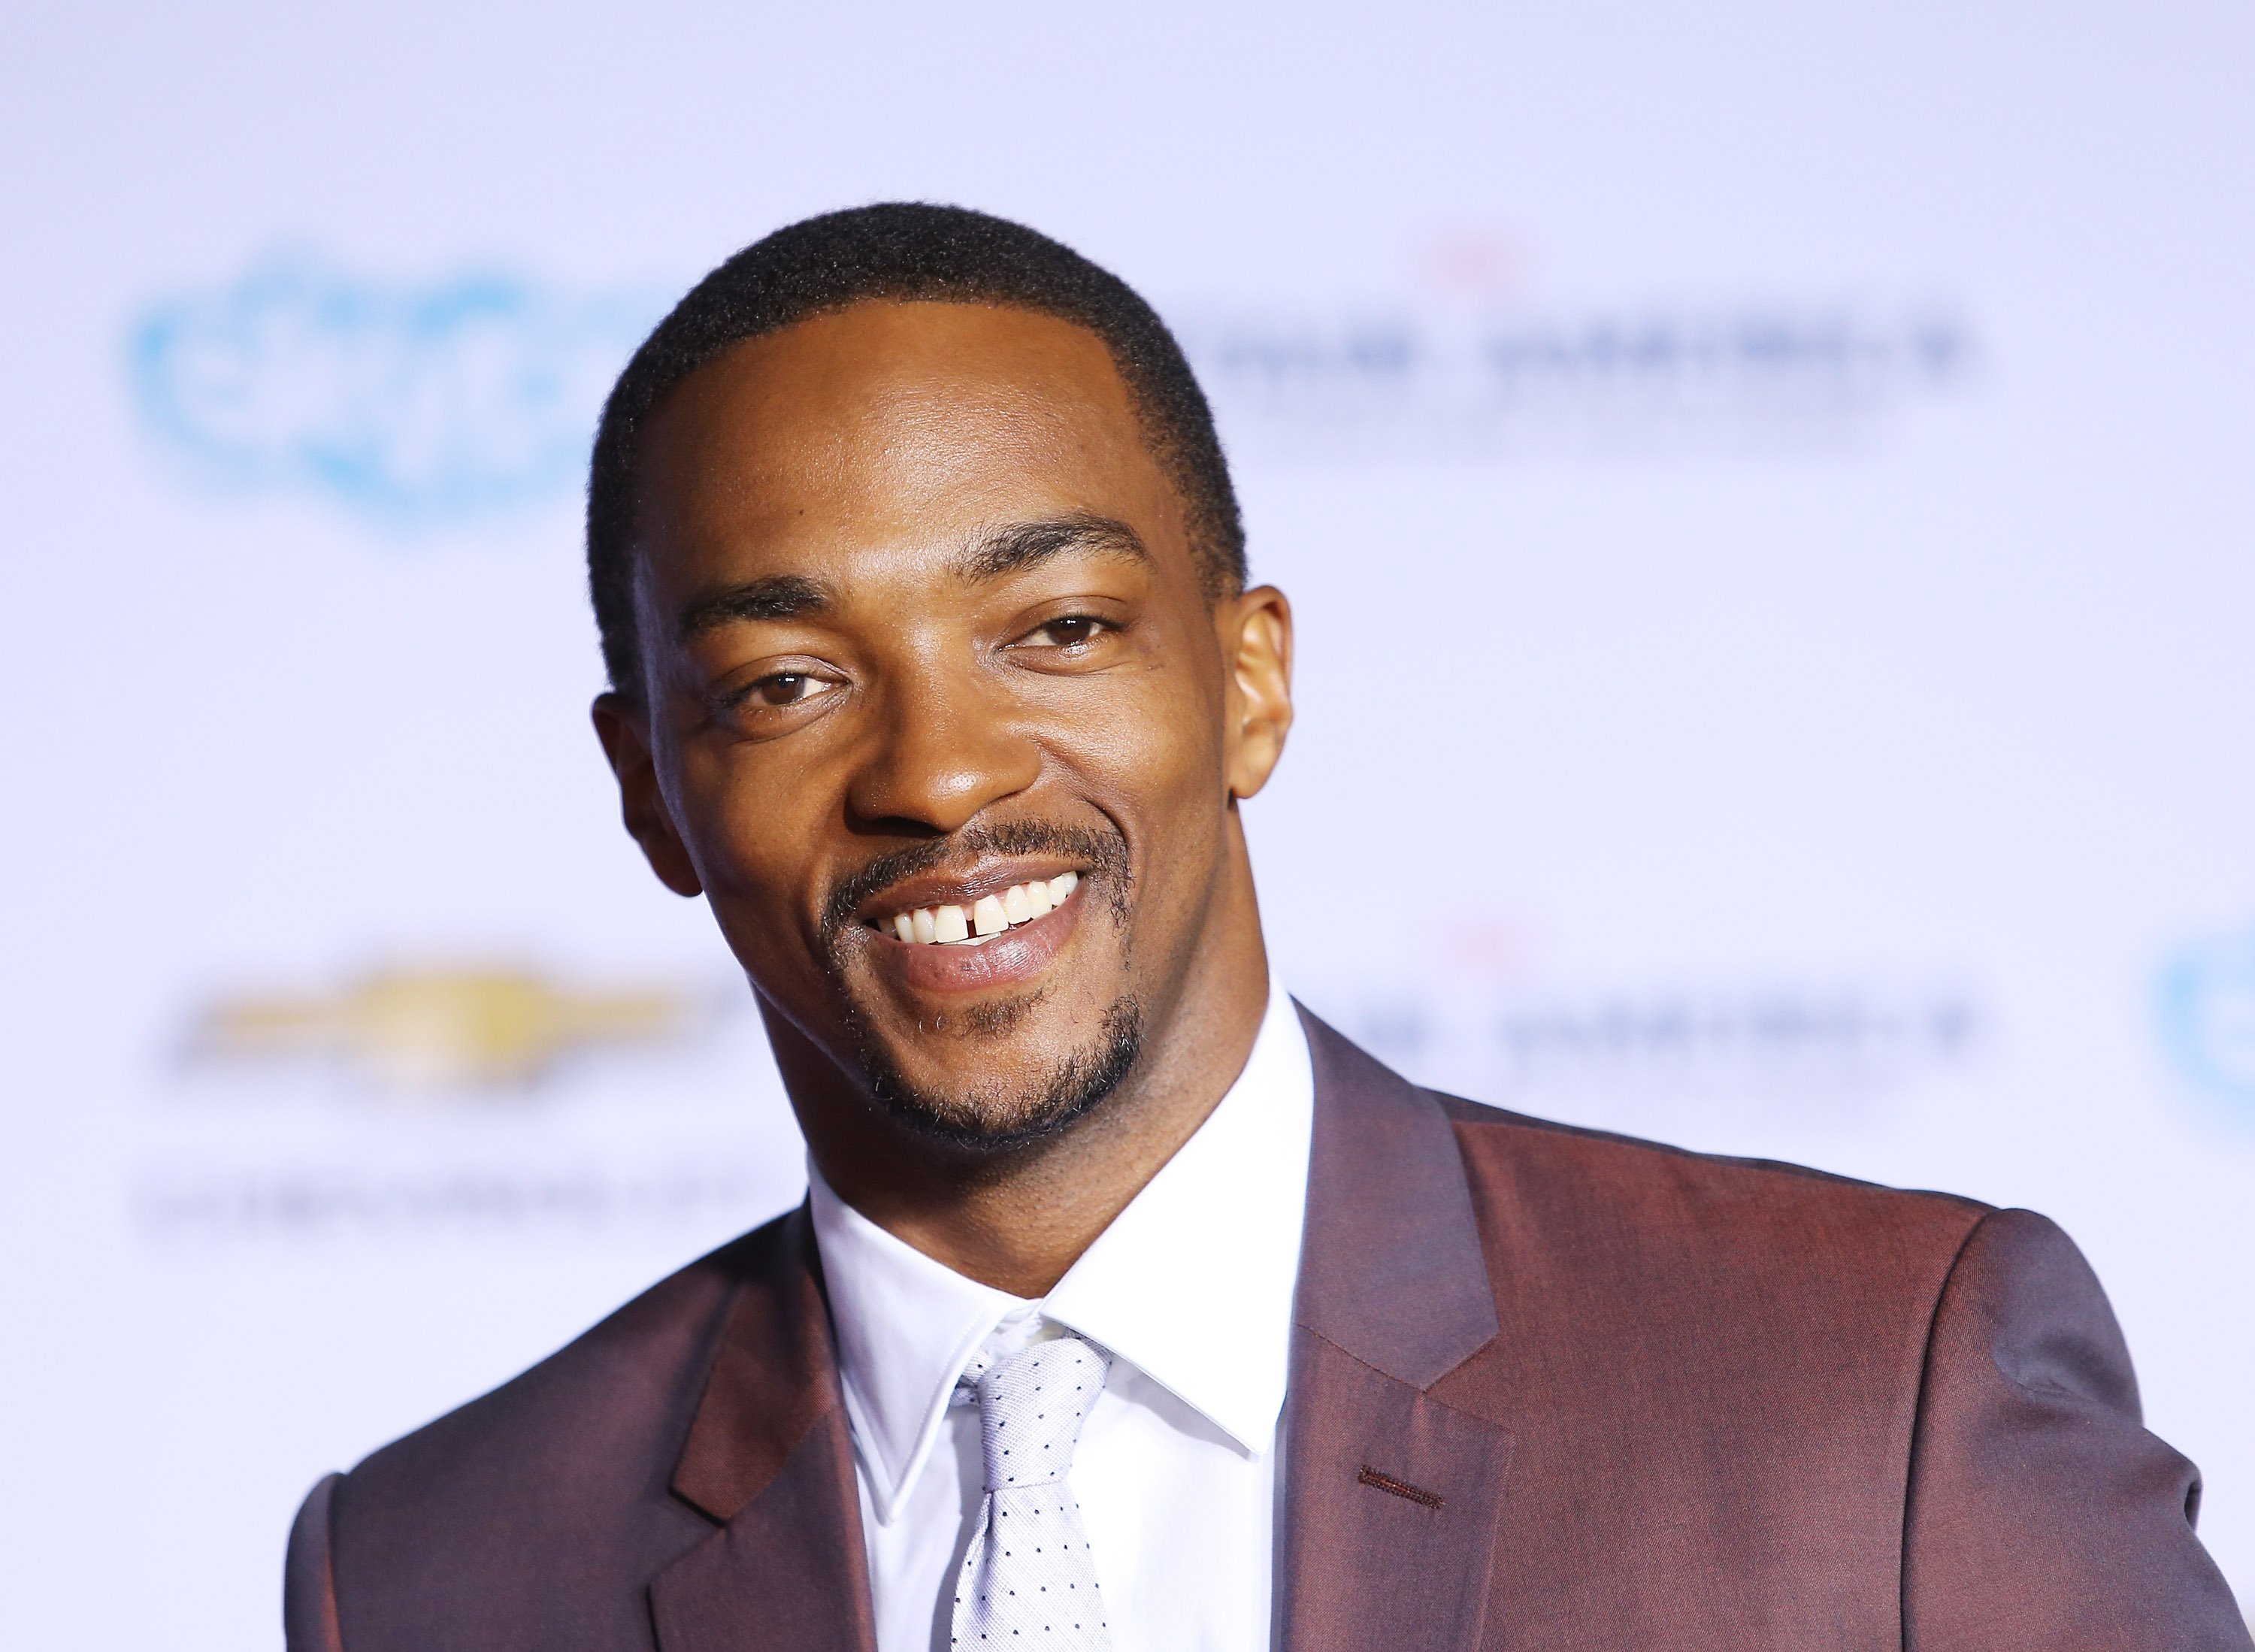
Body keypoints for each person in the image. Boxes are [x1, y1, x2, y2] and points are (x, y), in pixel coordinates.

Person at [282, 204, 2250, 1652]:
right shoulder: (440, 1574)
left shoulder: (1873, 1398)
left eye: (1056, 630)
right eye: (789, 683)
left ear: (1248, 682)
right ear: (650, 789)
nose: (943, 774)